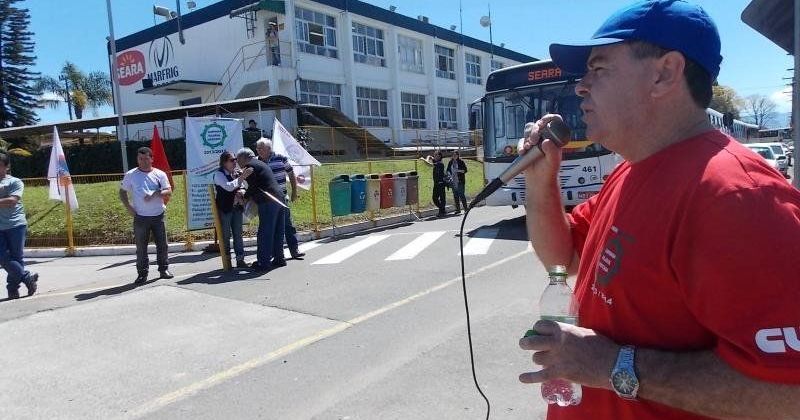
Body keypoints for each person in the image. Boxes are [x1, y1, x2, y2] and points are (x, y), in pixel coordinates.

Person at [517, 1, 800, 419]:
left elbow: (789, 395)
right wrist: (541, 184)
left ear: (664, 73)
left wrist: (613, 366)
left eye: (599, 68)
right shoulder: (632, 169)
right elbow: (565, 258)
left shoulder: (735, 196)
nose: (580, 86)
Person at [120, 147, 173, 285]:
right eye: (140, 159)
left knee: (162, 245)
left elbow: (168, 190)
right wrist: (129, 207)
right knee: (141, 248)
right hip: (140, 217)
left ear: (152, 159)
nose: (143, 161)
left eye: (146, 158)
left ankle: (163, 269)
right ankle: (142, 274)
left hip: (158, 216)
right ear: (137, 159)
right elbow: (122, 192)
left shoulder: (160, 174)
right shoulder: (131, 174)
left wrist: (156, 194)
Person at [236, 148, 286, 271]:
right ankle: (279, 258)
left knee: (265, 232)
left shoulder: (250, 166)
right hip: (279, 198)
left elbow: (253, 187)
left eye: (237, 160)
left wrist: (244, 197)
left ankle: (263, 262)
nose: (237, 163)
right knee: (278, 231)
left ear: (243, 158)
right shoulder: (260, 163)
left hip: (268, 200)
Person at [255, 138, 305, 259]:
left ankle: (294, 250)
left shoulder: (280, 158)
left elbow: (291, 174)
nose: (259, 151)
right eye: (257, 148)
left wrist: (294, 192)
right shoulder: (257, 161)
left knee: (288, 224)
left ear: (269, 148)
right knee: (271, 227)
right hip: (266, 200)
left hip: (282, 197)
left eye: (261, 148)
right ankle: (274, 254)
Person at [0, 152, 37, 299]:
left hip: (15, 225)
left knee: (16, 258)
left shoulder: (15, 182)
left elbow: (12, 200)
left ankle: (12, 289)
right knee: (2, 257)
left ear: (7, 167)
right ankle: (27, 278)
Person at [214, 151, 253, 269]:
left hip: (237, 208)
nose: (235, 162)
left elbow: (244, 187)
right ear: (224, 162)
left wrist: (243, 191)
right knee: (225, 235)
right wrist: (242, 177)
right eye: (232, 160)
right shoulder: (218, 174)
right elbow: (229, 186)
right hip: (225, 208)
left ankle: (240, 260)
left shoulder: (236, 173)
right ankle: (227, 261)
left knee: (238, 234)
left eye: (235, 159)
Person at [431, 150, 446, 217]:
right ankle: (442, 209)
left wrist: (424, 159)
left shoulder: (440, 164)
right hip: (436, 183)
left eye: (436, 155)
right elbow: (432, 159)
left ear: (439, 156)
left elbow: (429, 164)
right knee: (434, 198)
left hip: (441, 183)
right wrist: (430, 157)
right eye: (434, 155)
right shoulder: (436, 162)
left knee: (442, 198)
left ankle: (442, 211)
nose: (434, 156)